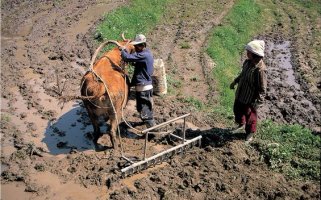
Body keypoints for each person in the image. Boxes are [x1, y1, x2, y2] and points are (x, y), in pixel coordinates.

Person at [230, 40, 267, 142]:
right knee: (237, 110)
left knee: (250, 117)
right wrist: (235, 81)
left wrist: (258, 102)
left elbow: (262, 88)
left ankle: (250, 133)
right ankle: (240, 124)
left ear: (255, 54)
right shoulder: (247, 62)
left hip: (250, 98)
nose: (247, 54)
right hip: (241, 93)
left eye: (248, 52)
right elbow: (242, 75)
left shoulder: (260, 70)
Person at [119, 34, 156, 128]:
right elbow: (137, 59)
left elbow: (127, 57)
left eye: (136, 46)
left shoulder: (144, 55)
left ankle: (153, 132)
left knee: (145, 112)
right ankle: (149, 125)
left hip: (143, 88)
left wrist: (123, 50)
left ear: (142, 45)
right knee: (143, 108)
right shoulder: (146, 53)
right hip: (145, 86)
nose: (135, 48)